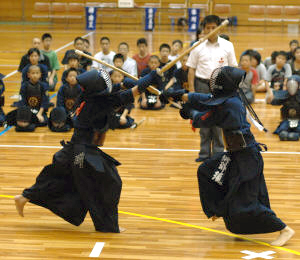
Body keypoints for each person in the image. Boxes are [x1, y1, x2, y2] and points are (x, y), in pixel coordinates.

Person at [14, 68, 160, 233]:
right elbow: (132, 92)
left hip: (77, 150)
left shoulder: (89, 97)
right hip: (81, 154)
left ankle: (24, 197)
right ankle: (107, 225)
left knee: (66, 179)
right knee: (106, 183)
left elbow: (122, 89)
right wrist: (153, 76)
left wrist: (137, 81)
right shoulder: (99, 102)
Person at [165, 66, 295, 247]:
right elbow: (206, 99)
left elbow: (205, 118)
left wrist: (190, 113)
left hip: (247, 158)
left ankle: (284, 229)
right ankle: (217, 209)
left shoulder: (229, 105)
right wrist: (181, 95)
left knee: (247, 203)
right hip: (235, 154)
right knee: (206, 170)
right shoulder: (230, 97)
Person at [186, 15, 238, 162]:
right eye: (207, 27)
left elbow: (233, 68)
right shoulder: (197, 46)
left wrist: (231, 89)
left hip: (221, 87)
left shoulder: (228, 45)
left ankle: (218, 154)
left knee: (219, 122)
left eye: (213, 27)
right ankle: (203, 154)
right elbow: (191, 70)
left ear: (219, 28)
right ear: (203, 29)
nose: (210, 30)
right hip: (201, 85)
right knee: (203, 120)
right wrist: (192, 92)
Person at [7, 65, 49, 131]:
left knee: (44, 121)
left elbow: (45, 102)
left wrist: (39, 114)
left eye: (37, 73)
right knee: (10, 118)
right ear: (28, 75)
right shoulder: (24, 86)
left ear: (40, 75)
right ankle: (29, 123)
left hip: (39, 111)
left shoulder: (44, 86)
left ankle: (27, 123)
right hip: (26, 111)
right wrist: (27, 114)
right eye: (33, 73)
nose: (35, 75)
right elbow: (22, 102)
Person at [273, 76, 300, 141]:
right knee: (282, 130)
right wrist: (276, 92)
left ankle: (294, 135)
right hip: (287, 120)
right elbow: (273, 102)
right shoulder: (284, 95)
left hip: (298, 120)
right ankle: (288, 135)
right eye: (290, 85)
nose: (292, 87)